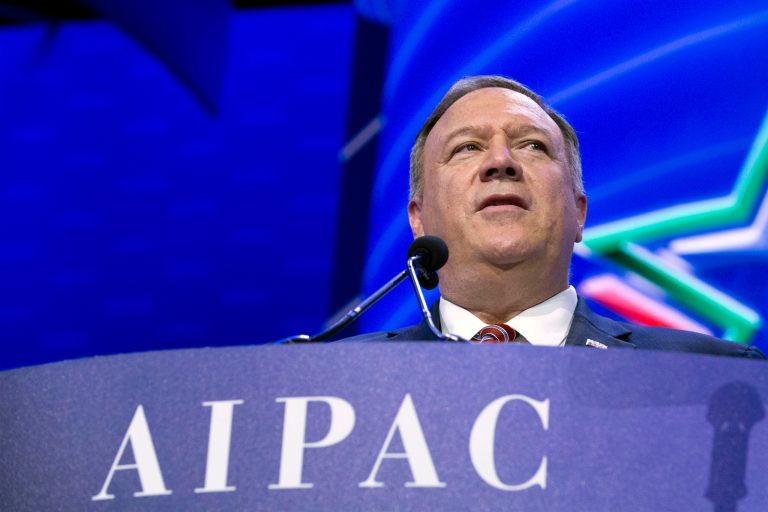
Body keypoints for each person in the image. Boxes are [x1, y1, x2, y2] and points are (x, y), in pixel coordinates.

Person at [346, 75, 764, 358]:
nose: (500, 162)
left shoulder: (711, 375)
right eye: (467, 148)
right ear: (418, 219)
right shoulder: (338, 383)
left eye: (531, 146)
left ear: (578, 213)